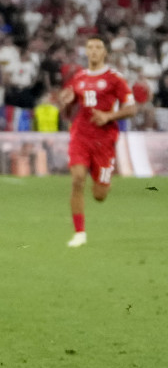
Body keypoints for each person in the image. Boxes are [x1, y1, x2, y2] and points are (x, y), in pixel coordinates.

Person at [58, 36, 138, 247]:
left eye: (98, 48)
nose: (93, 51)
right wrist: (64, 103)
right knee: (76, 180)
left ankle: (103, 178)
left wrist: (108, 116)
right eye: (90, 47)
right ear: (86, 51)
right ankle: (79, 233)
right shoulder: (78, 77)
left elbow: (132, 108)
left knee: (99, 195)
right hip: (81, 136)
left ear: (105, 53)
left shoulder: (115, 78)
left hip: (104, 140)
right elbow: (67, 109)